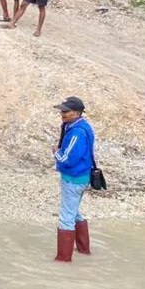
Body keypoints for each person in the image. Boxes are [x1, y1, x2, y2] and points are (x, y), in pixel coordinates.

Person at [53, 96, 95, 262]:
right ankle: (83, 249)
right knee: (74, 212)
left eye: (66, 111)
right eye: (61, 111)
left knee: (66, 218)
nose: (62, 114)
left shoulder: (76, 132)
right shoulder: (82, 127)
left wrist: (55, 152)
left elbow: (68, 159)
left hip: (73, 178)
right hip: (82, 177)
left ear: (76, 113)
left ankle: (63, 259)